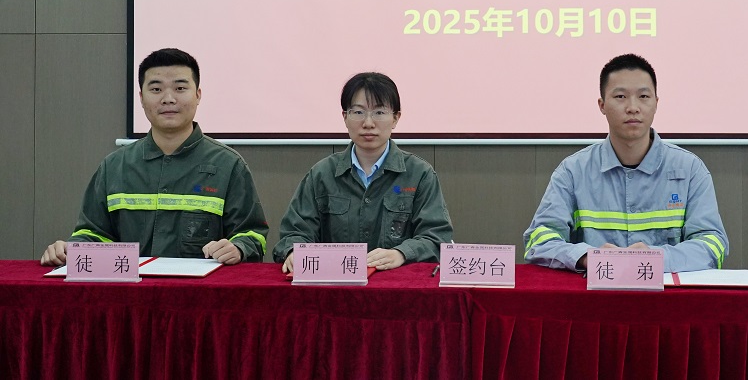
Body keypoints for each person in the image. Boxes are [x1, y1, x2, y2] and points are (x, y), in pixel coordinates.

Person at [40, 48, 268, 266]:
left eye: (180, 88)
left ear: (198, 95)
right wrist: (71, 249)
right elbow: (93, 233)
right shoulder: (115, 166)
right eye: (156, 89)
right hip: (129, 290)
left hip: (200, 291)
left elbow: (252, 235)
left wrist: (238, 247)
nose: (168, 99)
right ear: (141, 98)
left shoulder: (228, 165)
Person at [523, 54, 729, 272]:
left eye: (643, 96)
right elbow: (539, 240)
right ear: (602, 105)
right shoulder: (573, 171)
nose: (633, 107)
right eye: (620, 96)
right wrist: (585, 256)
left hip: (666, 292)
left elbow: (712, 244)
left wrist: (657, 258)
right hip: (595, 291)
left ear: (656, 103)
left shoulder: (690, 169)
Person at [273, 72, 453, 273]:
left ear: (395, 118)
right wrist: (294, 251)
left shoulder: (419, 174)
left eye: (379, 112)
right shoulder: (322, 174)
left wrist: (401, 253)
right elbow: (295, 232)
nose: (368, 123)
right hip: (334, 284)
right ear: (345, 117)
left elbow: (436, 237)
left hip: (396, 285)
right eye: (358, 112)